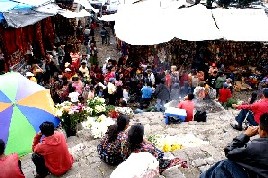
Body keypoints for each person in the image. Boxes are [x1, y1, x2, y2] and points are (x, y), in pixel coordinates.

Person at [200, 113, 268, 178]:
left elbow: (229, 152)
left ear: (263, 132)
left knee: (225, 164)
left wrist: (245, 135)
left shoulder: (256, 147)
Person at [122, 124, 188, 174]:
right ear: (141, 137)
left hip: (130, 163)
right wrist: (148, 143)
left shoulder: (125, 143)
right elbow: (154, 157)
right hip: (144, 167)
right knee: (161, 154)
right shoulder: (147, 149)